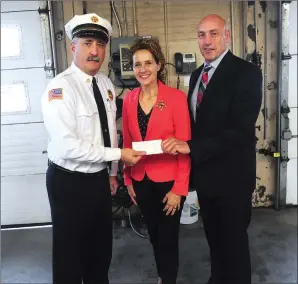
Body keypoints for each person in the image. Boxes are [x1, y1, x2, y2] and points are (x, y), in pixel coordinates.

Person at [41, 13, 144, 284]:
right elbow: (67, 146)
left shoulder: (106, 84)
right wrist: (118, 156)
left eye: (100, 45)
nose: (95, 51)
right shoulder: (61, 88)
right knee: (70, 255)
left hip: (98, 179)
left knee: (100, 250)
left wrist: (111, 172)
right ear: (73, 46)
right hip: (69, 181)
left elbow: (107, 132)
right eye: (87, 43)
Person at [162, 14, 262, 284]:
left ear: (226, 36)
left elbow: (240, 130)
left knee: (234, 245)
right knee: (214, 241)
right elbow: (195, 123)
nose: (207, 41)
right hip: (206, 177)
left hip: (233, 179)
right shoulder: (196, 76)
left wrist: (190, 146)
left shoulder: (246, 72)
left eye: (214, 34)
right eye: (202, 35)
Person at [122, 38, 191, 284]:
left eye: (148, 63)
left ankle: (168, 279)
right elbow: (127, 143)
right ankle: (163, 276)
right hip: (141, 179)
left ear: (159, 65)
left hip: (169, 182)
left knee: (168, 237)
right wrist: (128, 178)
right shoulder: (129, 100)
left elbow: (185, 146)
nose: (143, 69)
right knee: (153, 234)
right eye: (137, 64)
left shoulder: (176, 98)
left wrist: (179, 189)